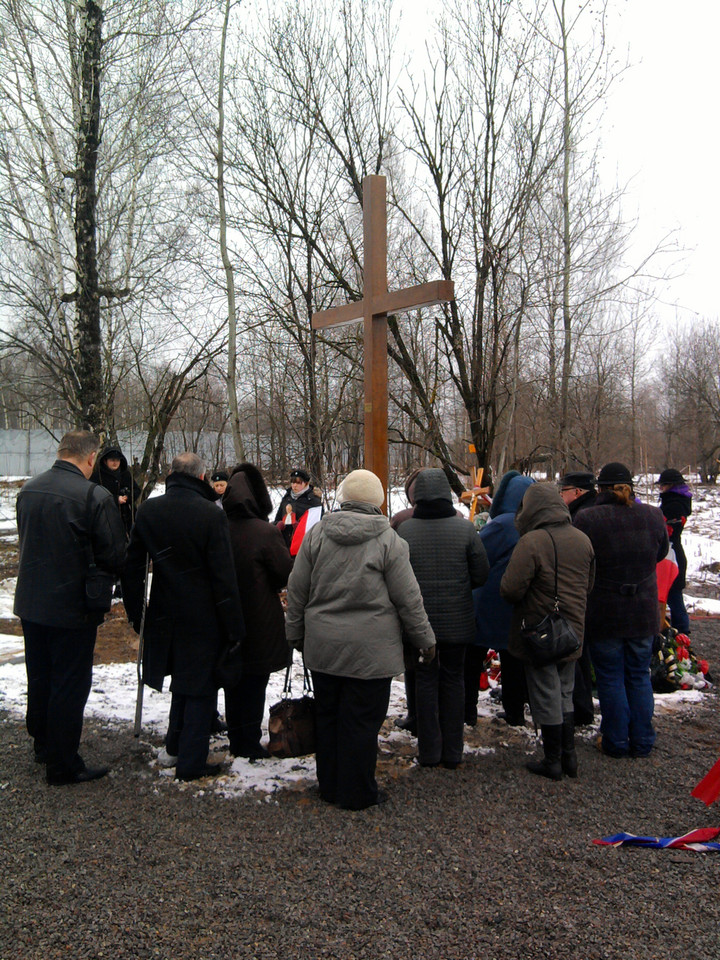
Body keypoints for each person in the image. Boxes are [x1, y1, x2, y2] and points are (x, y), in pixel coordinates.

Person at [285, 469, 436, 810]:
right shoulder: (390, 542)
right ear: (377, 501)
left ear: (343, 496)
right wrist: (425, 640)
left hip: (324, 646)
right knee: (362, 722)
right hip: (372, 652)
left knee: (329, 716)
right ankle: (358, 791)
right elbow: (408, 599)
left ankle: (331, 785)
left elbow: (297, 590)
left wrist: (295, 634)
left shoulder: (317, 535)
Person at [122, 452, 245, 781]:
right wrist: (234, 628)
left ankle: (175, 747)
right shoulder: (209, 514)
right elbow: (223, 576)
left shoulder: (150, 510)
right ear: (202, 477)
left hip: (163, 612)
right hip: (202, 615)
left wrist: (138, 615)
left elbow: (131, 569)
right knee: (200, 687)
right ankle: (191, 762)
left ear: (172, 474)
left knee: (183, 682)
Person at [14, 430, 127, 785]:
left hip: (33, 602)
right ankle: (63, 763)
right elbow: (114, 553)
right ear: (91, 457)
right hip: (72, 605)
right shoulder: (94, 495)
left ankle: (44, 744)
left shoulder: (29, 489)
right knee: (69, 683)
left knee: (41, 675)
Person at [500, 484, 595, 780]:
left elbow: (510, 589)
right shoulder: (583, 539)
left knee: (545, 692)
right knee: (565, 691)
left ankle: (552, 760)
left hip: (540, 632)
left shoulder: (532, 542)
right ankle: (570, 757)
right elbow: (588, 585)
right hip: (573, 630)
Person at [574, 462, 668, 759]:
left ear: (599, 489)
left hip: (605, 613)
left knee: (611, 677)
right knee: (638, 675)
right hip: (642, 613)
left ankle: (616, 740)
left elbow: (580, 560)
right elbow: (661, 552)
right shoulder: (653, 515)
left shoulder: (588, 518)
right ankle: (642, 741)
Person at [397, 468, 489, 768]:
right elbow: (481, 574)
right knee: (453, 681)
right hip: (457, 624)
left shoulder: (405, 532)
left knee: (424, 682)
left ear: (417, 496)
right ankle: (453, 752)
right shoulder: (464, 530)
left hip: (418, 625)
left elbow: (397, 581)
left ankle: (429, 752)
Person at [222, 463, 293, 759]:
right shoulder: (264, 532)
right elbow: (284, 573)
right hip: (260, 617)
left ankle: (237, 737)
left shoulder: (217, 527)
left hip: (225, 617)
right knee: (254, 681)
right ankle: (248, 741)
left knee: (233, 682)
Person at [472, 470, 534, 726]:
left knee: (473, 656)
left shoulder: (503, 523)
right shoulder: (534, 522)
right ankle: (515, 711)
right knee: (514, 661)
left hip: (492, 603)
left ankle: (466, 710)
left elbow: (478, 555)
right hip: (522, 603)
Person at [558, 471, 598, 726]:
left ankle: (581, 709)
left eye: (563, 491)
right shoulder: (588, 511)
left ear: (577, 492)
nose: (561, 496)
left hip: (582, 596)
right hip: (589, 593)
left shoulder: (583, 517)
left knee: (577, 653)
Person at [389, 467, 423, 734]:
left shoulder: (401, 520)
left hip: (409, 600)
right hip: (452, 606)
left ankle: (415, 714)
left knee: (413, 664)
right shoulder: (458, 517)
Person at [656, 468, 692, 634]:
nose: (660, 489)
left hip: (671, 556)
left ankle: (682, 633)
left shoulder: (674, 505)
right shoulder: (679, 502)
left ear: (669, 485)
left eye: (662, 485)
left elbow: (664, 528)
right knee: (673, 597)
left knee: (673, 597)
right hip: (674, 553)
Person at [92, 443, 141, 538]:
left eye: (117, 460)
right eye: (112, 460)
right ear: (105, 461)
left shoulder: (125, 474)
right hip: (105, 518)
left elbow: (136, 490)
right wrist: (115, 499)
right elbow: (94, 496)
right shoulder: (97, 476)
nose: (115, 463)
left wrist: (127, 496)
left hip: (127, 517)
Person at [274, 467, 323, 547]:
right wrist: (278, 524)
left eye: (298, 483)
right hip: (285, 544)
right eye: (293, 483)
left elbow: (318, 527)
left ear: (306, 483)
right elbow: (277, 518)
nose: (294, 485)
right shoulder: (287, 498)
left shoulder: (314, 500)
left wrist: (300, 527)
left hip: (304, 546)